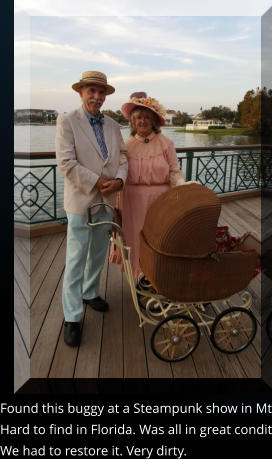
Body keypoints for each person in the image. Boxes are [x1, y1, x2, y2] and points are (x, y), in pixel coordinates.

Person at [56, 70, 128, 347]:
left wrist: (120, 180)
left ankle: (89, 292)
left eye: (101, 92)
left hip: (107, 200)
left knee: (98, 251)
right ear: (81, 92)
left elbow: (123, 156)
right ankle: (72, 317)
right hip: (81, 201)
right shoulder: (67, 121)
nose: (96, 97)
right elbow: (66, 162)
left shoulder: (112, 124)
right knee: (76, 258)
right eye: (91, 91)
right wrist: (98, 181)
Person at [110, 91, 185, 279]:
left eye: (146, 117)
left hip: (160, 201)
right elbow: (119, 173)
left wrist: (183, 188)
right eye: (138, 118)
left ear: (153, 121)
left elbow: (174, 172)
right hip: (132, 202)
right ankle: (141, 276)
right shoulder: (125, 146)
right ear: (133, 122)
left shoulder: (166, 143)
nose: (142, 121)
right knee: (136, 239)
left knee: (159, 239)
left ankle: (158, 276)